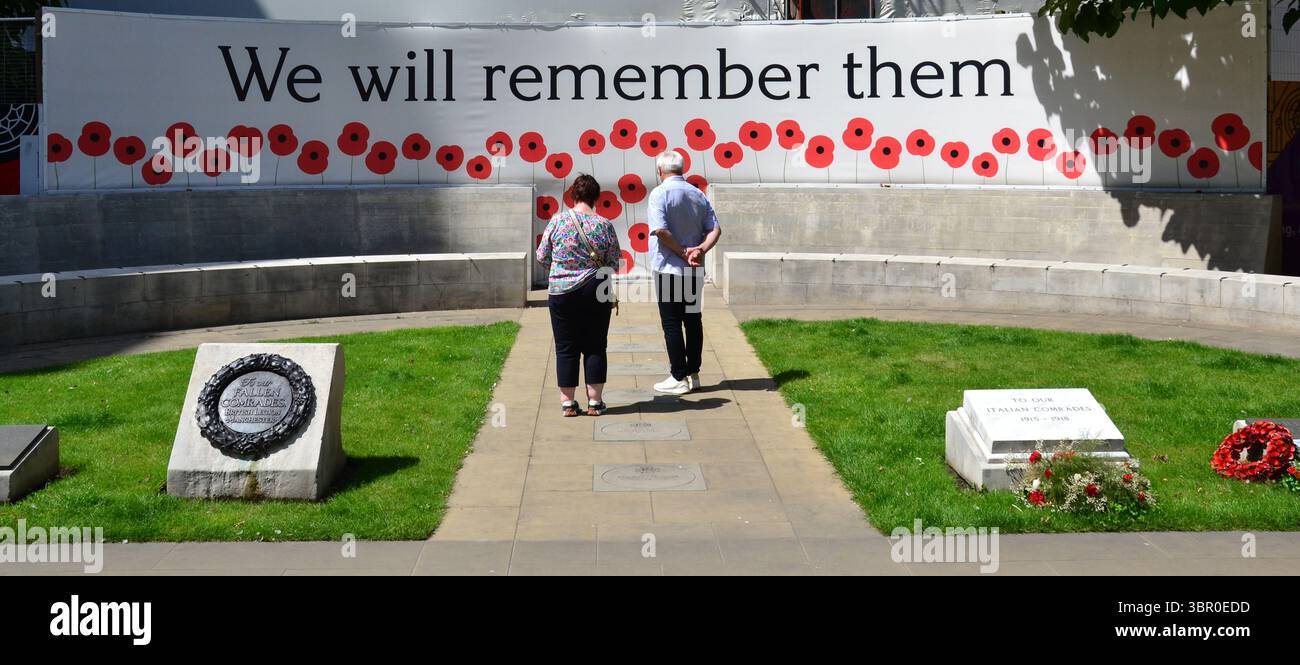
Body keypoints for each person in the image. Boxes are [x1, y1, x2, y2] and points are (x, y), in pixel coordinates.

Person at [536, 174, 622, 417]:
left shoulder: (557, 221)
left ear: (573, 195)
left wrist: (562, 270)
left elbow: (542, 255)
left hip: (561, 291)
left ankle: (568, 403)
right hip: (597, 288)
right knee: (595, 345)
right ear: (596, 197)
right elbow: (614, 263)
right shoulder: (604, 224)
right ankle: (595, 402)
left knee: (565, 346)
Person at [646, 150, 722, 396]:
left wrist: (681, 252)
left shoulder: (659, 194)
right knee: (692, 320)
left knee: (671, 323)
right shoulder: (697, 193)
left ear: (660, 171)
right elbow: (715, 229)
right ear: (681, 169)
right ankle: (693, 373)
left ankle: (678, 376)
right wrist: (699, 250)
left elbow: (660, 230)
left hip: (669, 267)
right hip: (693, 270)